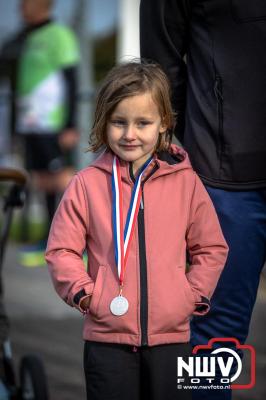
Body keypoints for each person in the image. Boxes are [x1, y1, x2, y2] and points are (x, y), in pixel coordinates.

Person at [45, 61, 228, 400]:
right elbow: (61, 251)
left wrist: (191, 296)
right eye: (119, 122)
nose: (130, 134)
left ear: (163, 124)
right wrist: (87, 294)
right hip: (107, 340)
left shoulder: (186, 183)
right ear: (104, 122)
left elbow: (211, 247)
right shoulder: (86, 185)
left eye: (142, 122)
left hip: (172, 340)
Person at [139, 1, 266, 398]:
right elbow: (161, 67)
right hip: (226, 176)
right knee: (213, 339)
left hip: (227, 167)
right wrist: (206, 132)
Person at [0, 0, 80, 248]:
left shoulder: (60, 35)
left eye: (25, 2)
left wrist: (70, 124)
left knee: (62, 179)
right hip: (30, 122)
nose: (20, 7)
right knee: (42, 180)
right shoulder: (23, 38)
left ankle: (75, 241)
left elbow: (72, 81)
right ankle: (50, 239)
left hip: (53, 122)